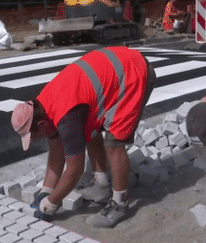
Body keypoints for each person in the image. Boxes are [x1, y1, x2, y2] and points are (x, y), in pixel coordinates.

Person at [11, 46, 156, 228]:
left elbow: (74, 170)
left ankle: (120, 204)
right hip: (115, 68)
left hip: (133, 73)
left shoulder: (66, 118)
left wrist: (50, 204)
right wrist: (45, 191)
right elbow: (57, 154)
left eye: (35, 136)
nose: (37, 140)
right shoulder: (42, 107)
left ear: (41, 125)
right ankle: (102, 183)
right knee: (90, 131)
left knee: (114, 144)